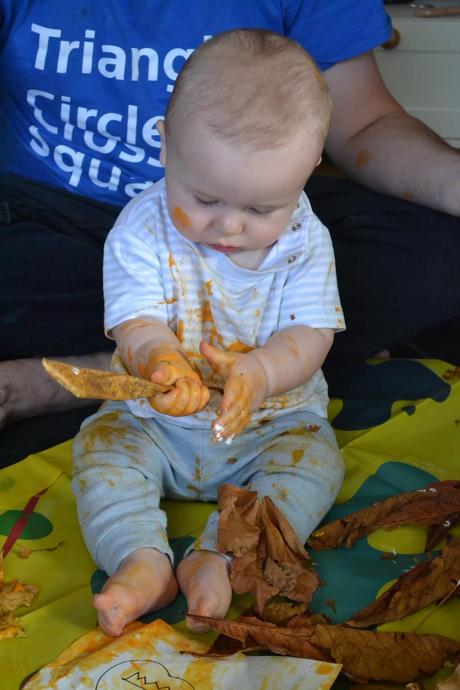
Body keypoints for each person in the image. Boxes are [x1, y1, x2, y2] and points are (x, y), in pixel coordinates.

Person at [0, 1, 458, 428]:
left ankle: (108, 372)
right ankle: (191, 354)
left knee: (440, 253)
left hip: (256, 239)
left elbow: (365, 124)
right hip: (47, 216)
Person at [71, 29, 345, 637]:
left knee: (316, 466)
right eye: (204, 198)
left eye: (261, 210)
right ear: (165, 147)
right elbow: (134, 320)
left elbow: (312, 330)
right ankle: (139, 558)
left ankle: (218, 557)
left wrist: (262, 372)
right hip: (157, 424)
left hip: (271, 426)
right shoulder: (141, 230)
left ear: (308, 173)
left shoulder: (306, 241)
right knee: (100, 450)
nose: (229, 226)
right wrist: (162, 361)